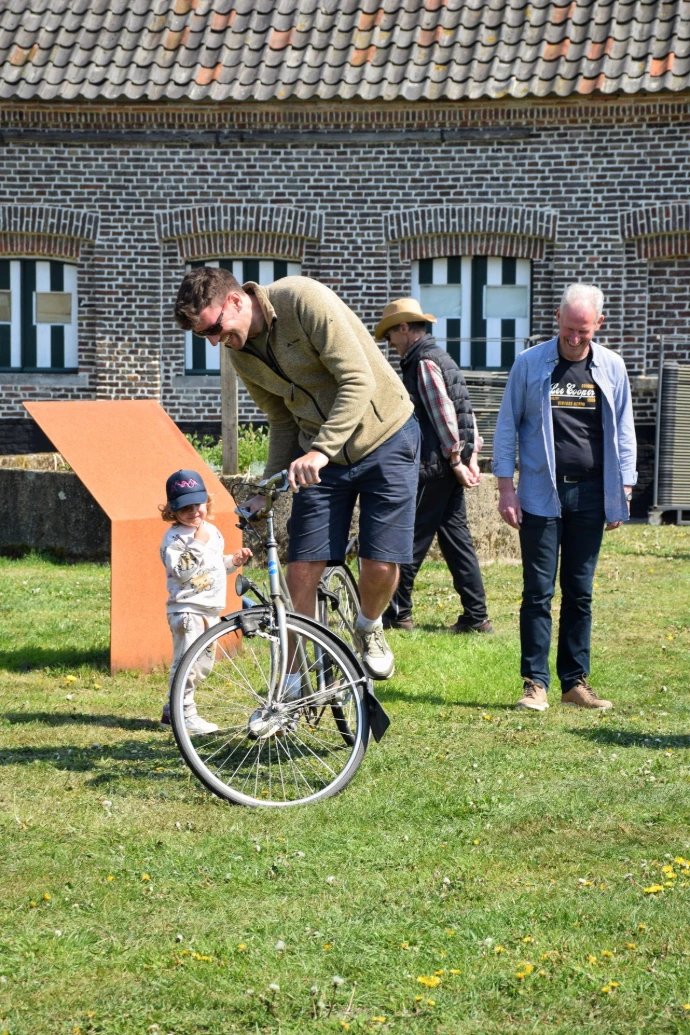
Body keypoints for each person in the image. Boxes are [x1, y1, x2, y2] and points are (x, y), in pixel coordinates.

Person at [174, 269, 419, 681]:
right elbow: (282, 420)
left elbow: (356, 381)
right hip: (322, 457)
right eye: (205, 337)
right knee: (300, 569)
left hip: (386, 436)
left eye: (215, 328)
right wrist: (264, 491)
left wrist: (321, 450)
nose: (215, 341)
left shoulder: (302, 300)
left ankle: (369, 626)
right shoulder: (240, 354)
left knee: (379, 564)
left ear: (235, 301)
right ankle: (292, 679)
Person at [493, 283, 637, 711]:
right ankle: (534, 685)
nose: (575, 338)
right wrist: (505, 487)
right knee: (537, 591)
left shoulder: (612, 367)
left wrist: (623, 488)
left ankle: (575, 683)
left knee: (580, 591)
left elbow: (625, 430)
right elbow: (506, 426)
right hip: (541, 495)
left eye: (584, 331)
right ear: (557, 317)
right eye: (570, 328)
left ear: (598, 325)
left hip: (592, 494)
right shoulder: (529, 364)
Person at [374, 299, 493, 634]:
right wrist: (471, 453)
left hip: (434, 465)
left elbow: (443, 414)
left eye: (391, 335)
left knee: (409, 539)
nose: (389, 343)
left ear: (404, 328)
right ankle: (476, 616)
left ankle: (398, 613)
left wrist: (456, 459)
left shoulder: (423, 361)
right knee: (457, 543)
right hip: (447, 464)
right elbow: (464, 408)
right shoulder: (440, 356)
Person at [159, 468, 252, 734]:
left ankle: (172, 709)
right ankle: (184, 713)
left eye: (197, 504)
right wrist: (197, 543)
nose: (193, 512)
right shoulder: (175, 539)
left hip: (209, 608)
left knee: (203, 665)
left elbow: (212, 568)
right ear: (172, 511)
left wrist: (232, 562)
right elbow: (182, 570)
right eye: (184, 507)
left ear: (206, 503)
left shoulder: (210, 530)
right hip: (187, 610)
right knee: (188, 663)